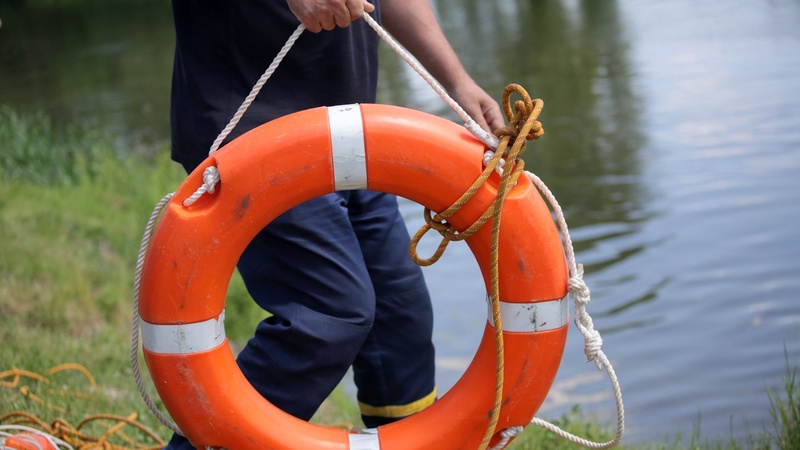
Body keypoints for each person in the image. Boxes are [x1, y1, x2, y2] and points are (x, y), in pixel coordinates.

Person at [166, 1, 503, 448]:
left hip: (351, 132)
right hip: (252, 129)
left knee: (398, 313)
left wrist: (456, 79)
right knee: (330, 313)